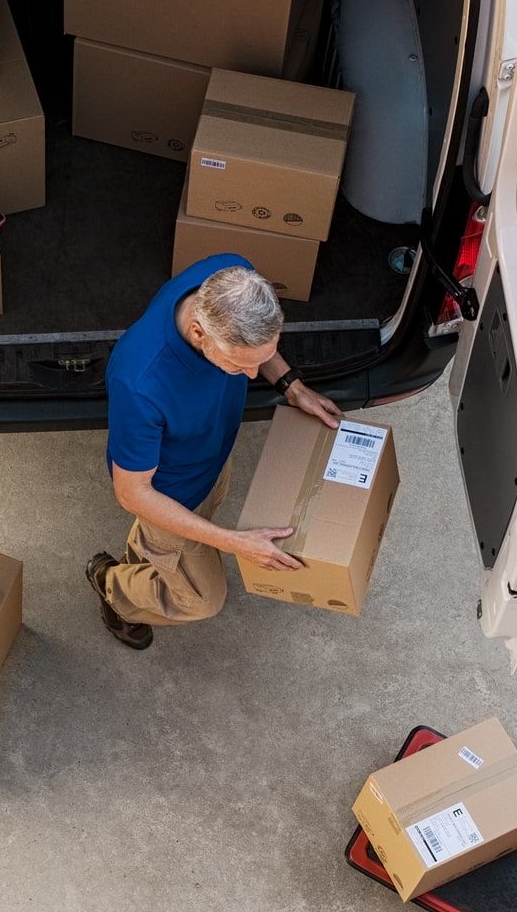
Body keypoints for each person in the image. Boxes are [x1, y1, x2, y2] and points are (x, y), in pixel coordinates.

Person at [86, 254, 343, 649]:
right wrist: (233, 542)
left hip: (213, 458)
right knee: (202, 600)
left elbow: (256, 349)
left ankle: (147, 554)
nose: (255, 376)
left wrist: (292, 386)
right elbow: (132, 493)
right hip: (171, 493)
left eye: (261, 360)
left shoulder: (231, 277)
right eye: (239, 365)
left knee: (167, 546)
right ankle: (113, 588)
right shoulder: (140, 383)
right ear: (199, 333)